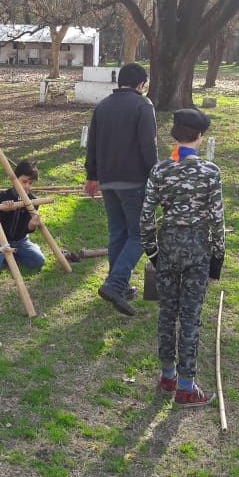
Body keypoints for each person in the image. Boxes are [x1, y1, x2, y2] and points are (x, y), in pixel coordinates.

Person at [140, 108, 225, 407]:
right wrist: (217, 261)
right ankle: (186, 387)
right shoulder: (210, 172)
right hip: (198, 251)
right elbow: (217, 220)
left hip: (167, 247)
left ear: (175, 134)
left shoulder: (160, 170)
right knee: (190, 317)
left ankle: (168, 376)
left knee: (167, 312)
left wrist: (152, 251)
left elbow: (146, 216)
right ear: (200, 136)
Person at [84, 62, 158, 317]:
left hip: (107, 181)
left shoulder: (102, 106)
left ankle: (119, 285)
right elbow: (148, 146)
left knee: (118, 233)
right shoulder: (143, 105)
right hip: (134, 181)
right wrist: (156, 175)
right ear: (141, 85)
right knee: (140, 235)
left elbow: (92, 143)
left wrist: (91, 175)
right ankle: (115, 284)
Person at [0, 159, 45, 273]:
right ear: (15, 179)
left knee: (38, 261)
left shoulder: (33, 200)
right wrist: (1, 209)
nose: (27, 186)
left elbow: (27, 229)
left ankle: (9, 256)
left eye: (30, 183)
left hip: (20, 241)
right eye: (24, 181)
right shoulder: (3, 196)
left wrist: (31, 226)